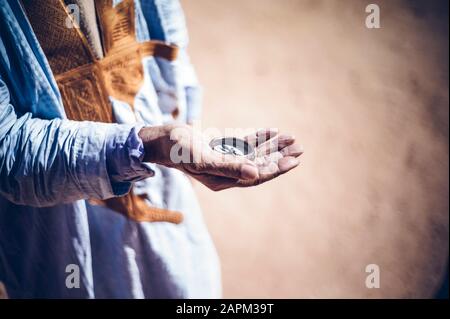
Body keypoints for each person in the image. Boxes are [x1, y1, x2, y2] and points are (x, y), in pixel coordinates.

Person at [0, 0, 302, 298]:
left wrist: (187, 135)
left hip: (167, 199)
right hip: (56, 240)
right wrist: (150, 144)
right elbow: (8, 149)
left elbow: (169, 36)